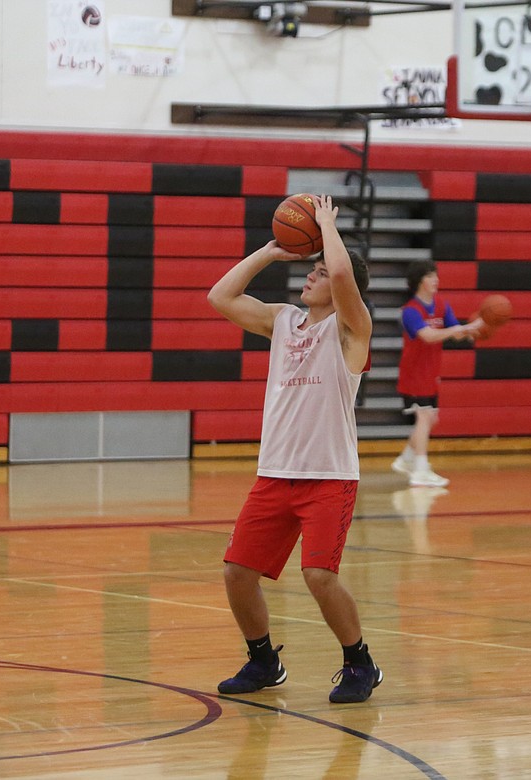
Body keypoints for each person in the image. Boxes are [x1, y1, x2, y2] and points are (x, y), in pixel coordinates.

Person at [207, 194, 382, 704]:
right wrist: (269, 251)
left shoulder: (351, 329)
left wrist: (328, 226)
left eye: (321, 272)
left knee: (318, 576)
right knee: (237, 572)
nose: (311, 275)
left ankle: (359, 663)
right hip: (275, 472)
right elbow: (220, 297)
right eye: (313, 269)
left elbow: (347, 282)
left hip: (328, 475)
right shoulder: (283, 321)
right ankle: (263, 661)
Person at [391, 260, 481, 487]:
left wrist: (474, 329)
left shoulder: (441, 305)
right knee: (423, 416)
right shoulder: (410, 311)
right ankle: (420, 470)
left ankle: (406, 460)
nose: (436, 280)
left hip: (431, 371)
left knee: (431, 418)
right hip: (414, 373)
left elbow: (456, 333)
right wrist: (457, 329)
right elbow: (428, 336)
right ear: (419, 281)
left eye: (436, 276)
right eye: (430, 276)